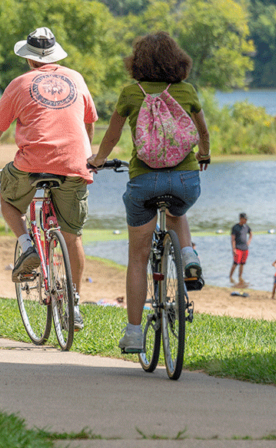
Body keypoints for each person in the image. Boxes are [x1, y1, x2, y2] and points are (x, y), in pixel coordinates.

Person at [89, 31, 210, 353]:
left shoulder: (131, 93)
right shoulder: (186, 91)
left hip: (144, 182)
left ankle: (133, 333)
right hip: (185, 180)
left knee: (137, 257)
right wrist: (204, 155)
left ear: (137, 62)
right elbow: (203, 132)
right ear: (177, 60)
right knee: (178, 210)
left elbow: (112, 136)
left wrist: (97, 160)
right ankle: (187, 255)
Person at [0, 27, 98, 332]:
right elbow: (88, 123)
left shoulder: (19, 84)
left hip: (31, 165)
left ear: (29, 59)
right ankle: (75, 302)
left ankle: (28, 244)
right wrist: (87, 159)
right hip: (74, 165)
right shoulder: (76, 78)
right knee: (73, 236)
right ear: (56, 55)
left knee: (7, 197)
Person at [230, 213, 253, 284]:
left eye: (246, 219)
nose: (246, 220)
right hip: (238, 248)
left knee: (242, 264)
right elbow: (233, 239)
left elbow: (251, 234)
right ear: (241, 219)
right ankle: (230, 276)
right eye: (245, 219)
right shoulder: (235, 227)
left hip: (245, 248)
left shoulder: (246, 227)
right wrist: (233, 249)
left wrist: (249, 241)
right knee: (235, 263)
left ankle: (240, 277)